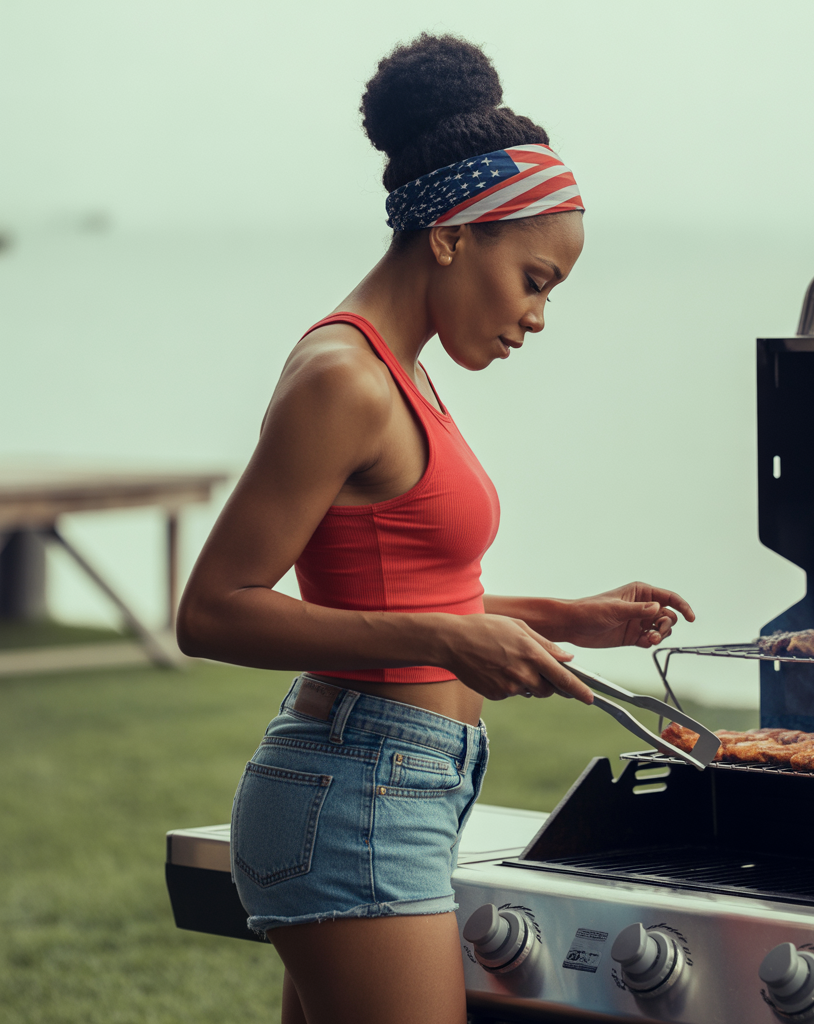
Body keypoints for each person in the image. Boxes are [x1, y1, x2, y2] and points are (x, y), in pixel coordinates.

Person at [176, 32, 694, 1024]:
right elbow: (213, 611)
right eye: (536, 279)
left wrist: (558, 613)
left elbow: (383, 585)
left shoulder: (399, 372)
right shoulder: (346, 377)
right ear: (453, 233)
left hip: (396, 781)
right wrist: (447, 637)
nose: (538, 316)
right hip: (359, 786)